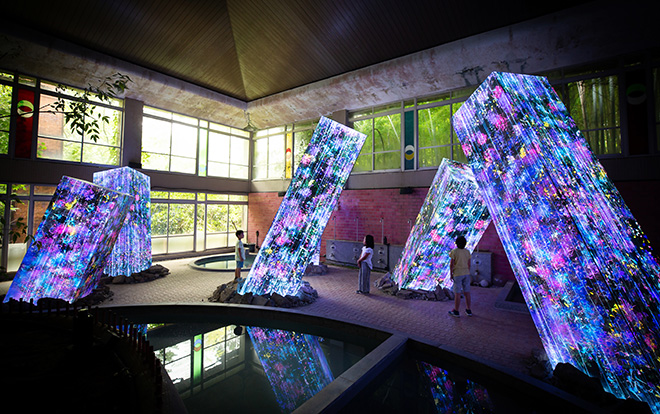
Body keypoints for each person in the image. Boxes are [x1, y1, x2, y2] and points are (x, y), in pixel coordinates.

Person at [448, 235, 473, 317]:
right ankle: (468, 310)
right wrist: (467, 272)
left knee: (457, 293)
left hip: (457, 274)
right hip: (466, 273)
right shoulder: (467, 252)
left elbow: (452, 264)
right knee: (467, 292)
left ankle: (456, 311)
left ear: (457, 243)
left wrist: (451, 274)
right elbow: (469, 264)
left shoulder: (454, 252)